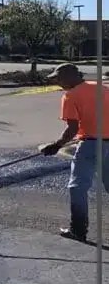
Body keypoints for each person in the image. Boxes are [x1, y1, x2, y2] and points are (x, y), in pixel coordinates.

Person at [40, 63, 109, 241]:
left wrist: (56, 145)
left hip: (92, 145)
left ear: (70, 77)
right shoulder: (101, 87)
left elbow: (72, 128)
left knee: (77, 187)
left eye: (59, 79)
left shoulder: (70, 96)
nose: (58, 83)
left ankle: (78, 230)